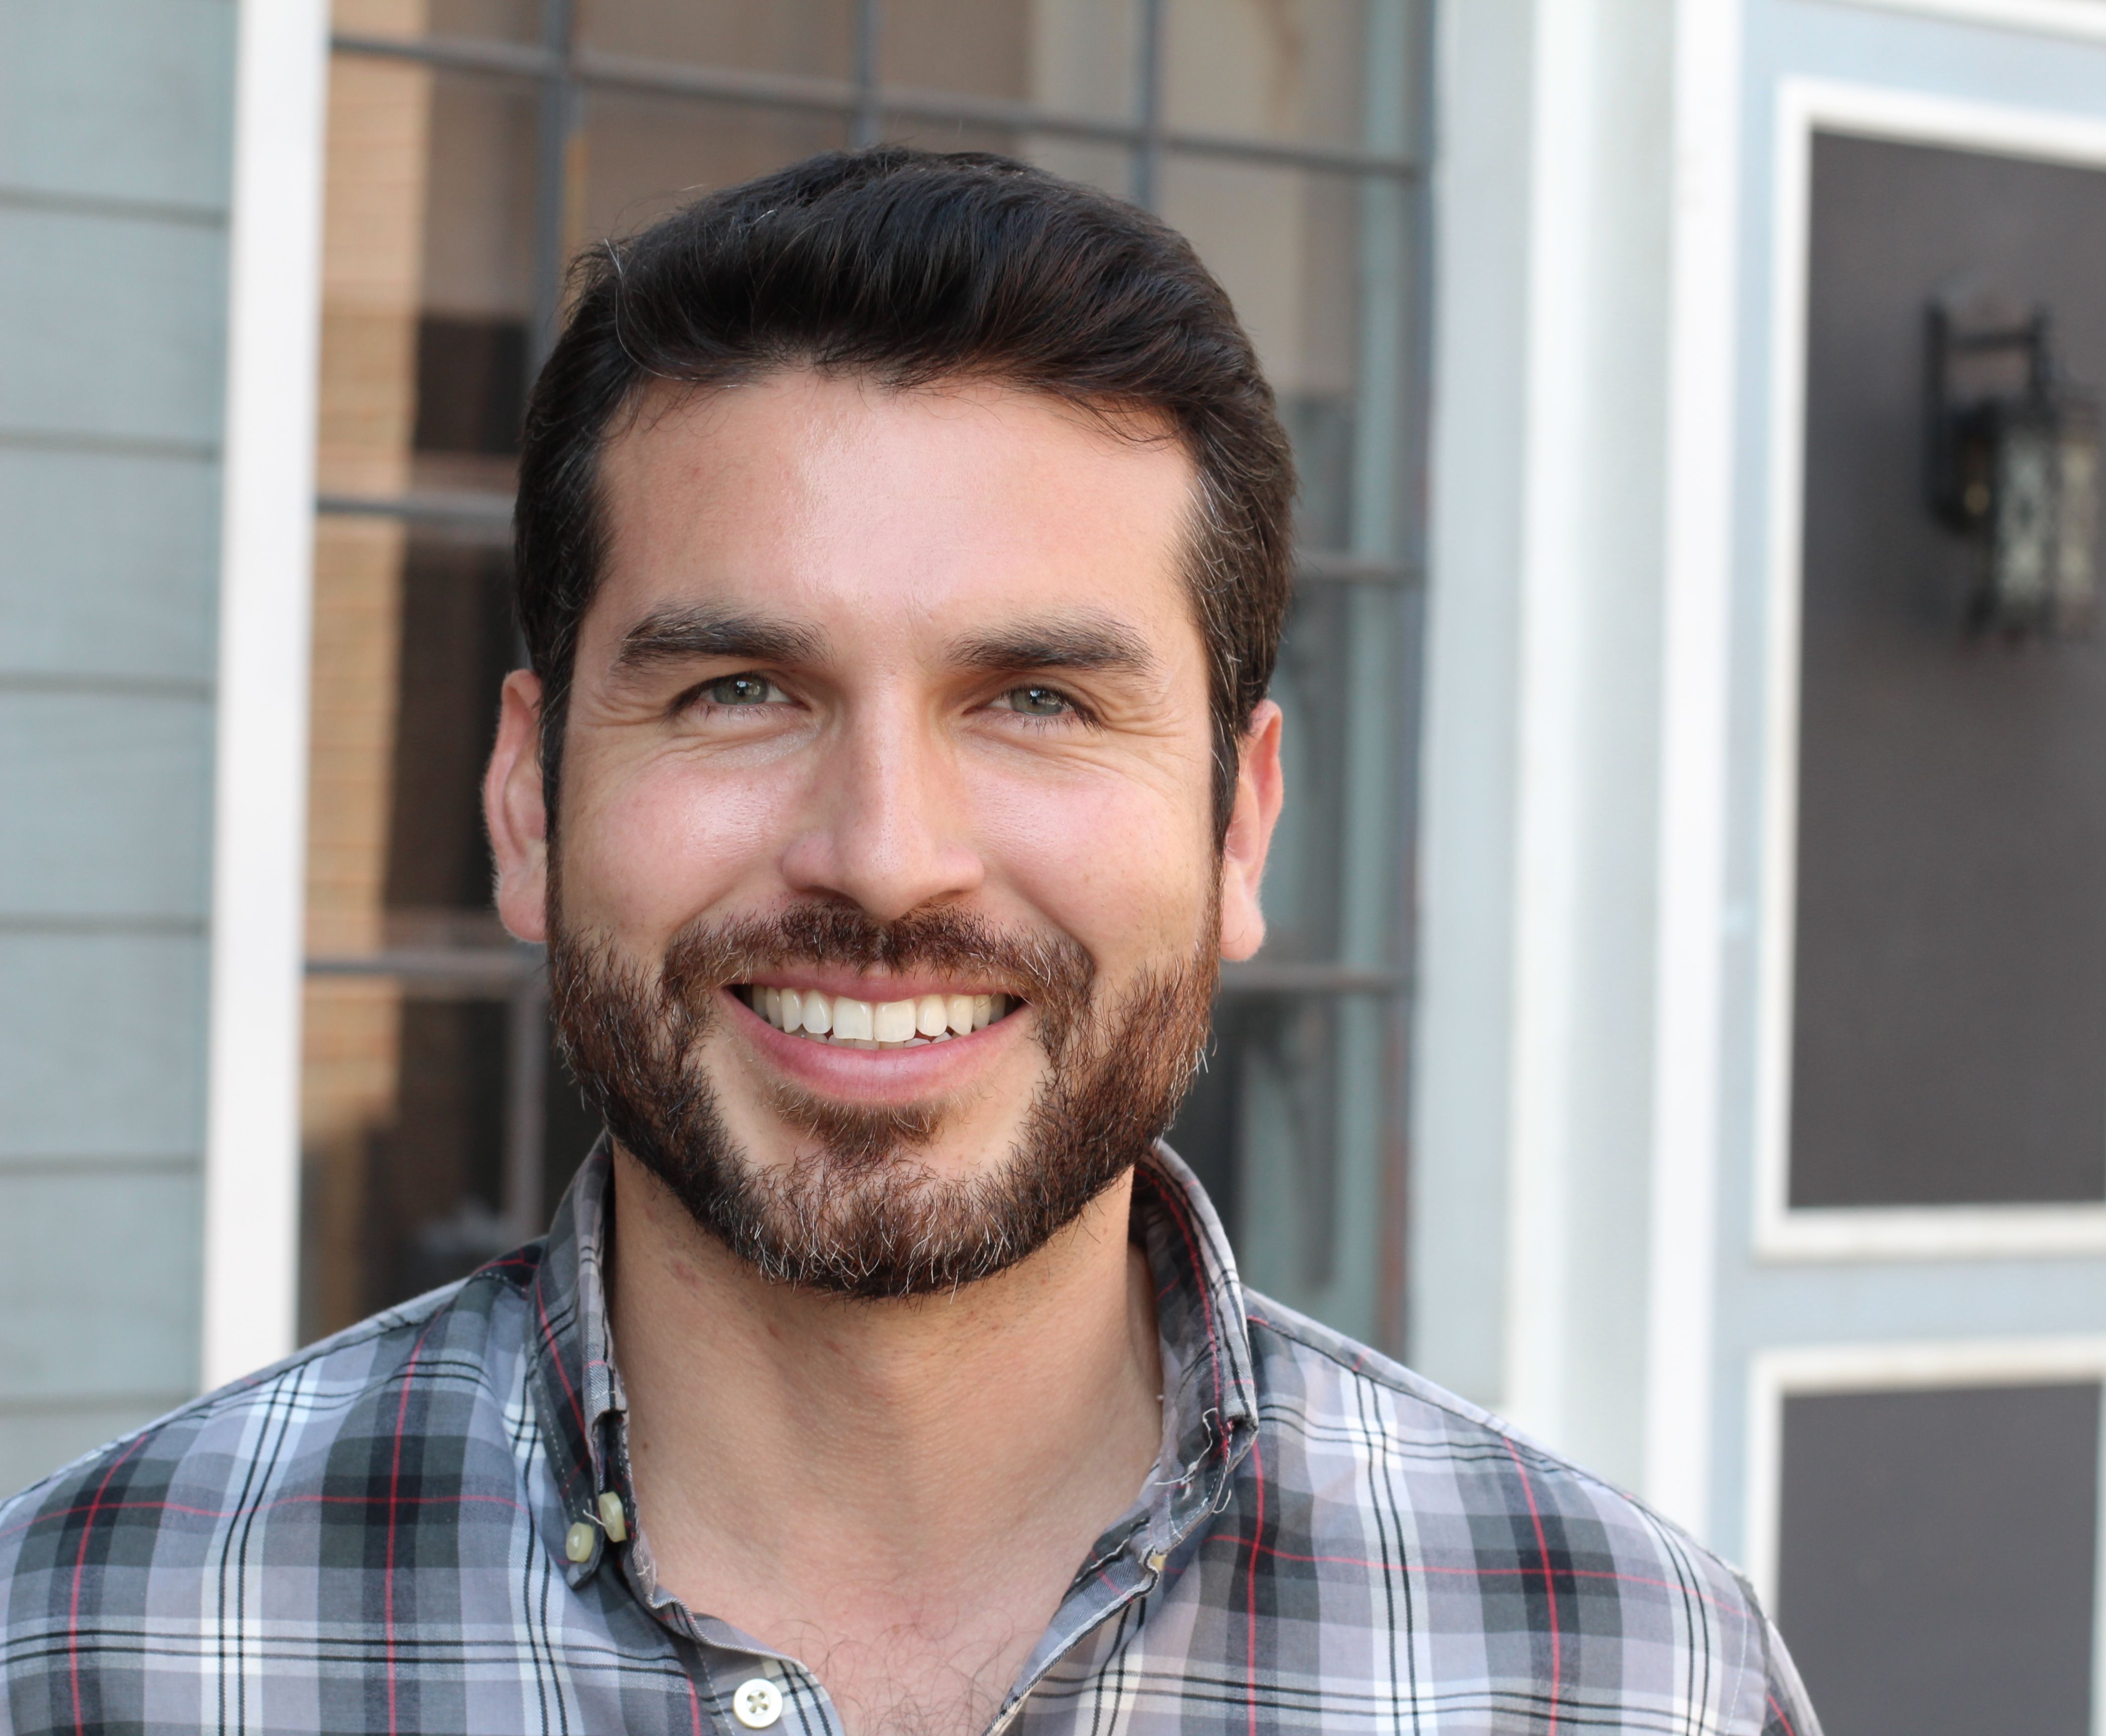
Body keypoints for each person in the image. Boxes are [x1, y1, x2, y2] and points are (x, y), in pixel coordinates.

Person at [0, 148, 1817, 1736]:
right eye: (736, 690)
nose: (885, 858)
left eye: (1034, 698)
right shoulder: (94, 1643)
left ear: (1239, 821)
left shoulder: (1615, 1673)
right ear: (530, 804)